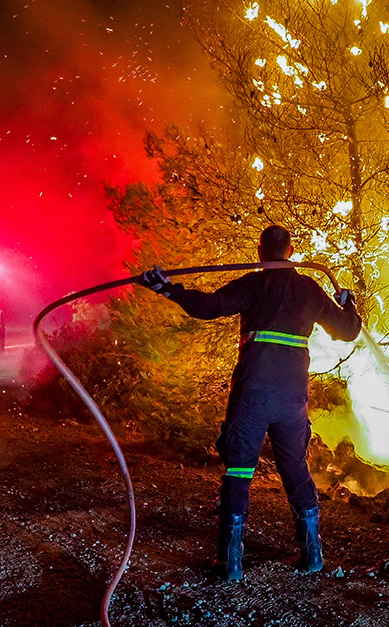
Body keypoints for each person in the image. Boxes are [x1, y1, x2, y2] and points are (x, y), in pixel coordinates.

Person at [138, 225, 362, 580]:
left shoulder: (253, 284)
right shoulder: (309, 290)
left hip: (252, 396)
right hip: (291, 399)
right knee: (295, 469)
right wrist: (349, 306)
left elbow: (209, 306)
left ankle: (230, 564)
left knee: (239, 471)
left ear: (261, 253)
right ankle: (313, 556)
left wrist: (165, 288)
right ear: (290, 250)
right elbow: (347, 332)